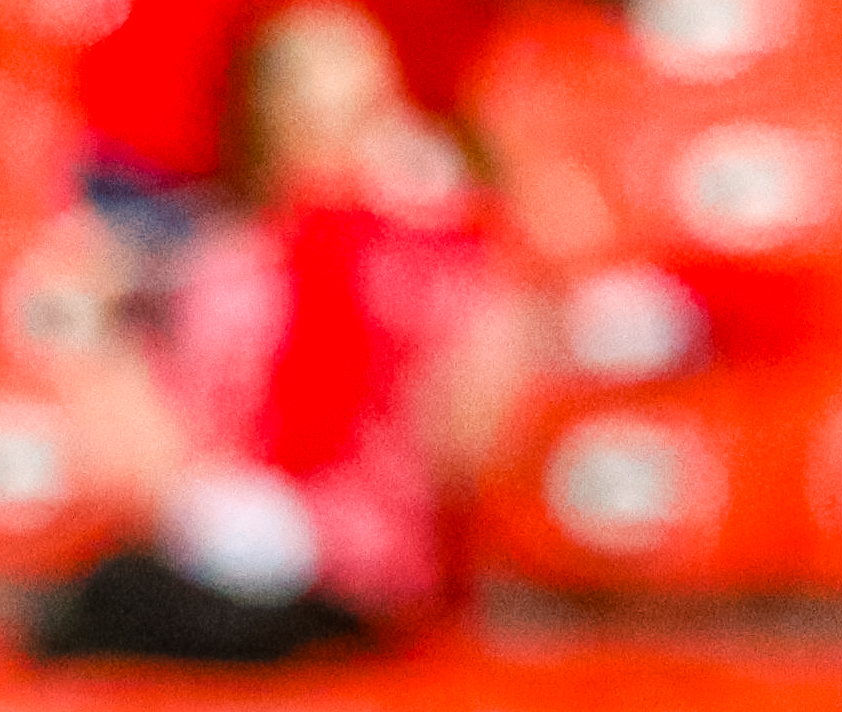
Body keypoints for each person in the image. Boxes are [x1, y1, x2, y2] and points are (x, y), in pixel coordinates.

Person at [35, 0, 538, 663]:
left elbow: (468, 444)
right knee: (101, 603)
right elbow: (165, 453)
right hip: (226, 558)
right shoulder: (220, 267)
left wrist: (463, 246)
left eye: (357, 111)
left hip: (366, 578)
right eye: (310, 110)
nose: (333, 136)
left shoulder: (435, 268)